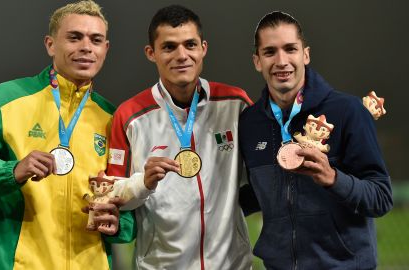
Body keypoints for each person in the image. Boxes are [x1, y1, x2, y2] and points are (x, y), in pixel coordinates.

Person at [0, 1, 134, 269]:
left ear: (105, 49)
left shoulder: (115, 119)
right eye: (74, 37)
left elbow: (129, 206)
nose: (86, 47)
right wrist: (12, 171)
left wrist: (118, 224)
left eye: (96, 39)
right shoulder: (6, 100)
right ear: (50, 44)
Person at [238, 11, 393, 269]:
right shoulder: (250, 123)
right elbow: (263, 192)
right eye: (270, 52)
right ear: (257, 61)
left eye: (290, 49)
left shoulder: (348, 111)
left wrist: (333, 178)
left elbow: (381, 197)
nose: (281, 60)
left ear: (305, 55)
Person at [107, 5, 253, 269]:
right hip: (160, 264)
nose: (182, 55)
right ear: (151, 53)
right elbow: (112, 191)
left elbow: (261, 170)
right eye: (169, 47)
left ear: (203, 48)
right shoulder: (129, 116)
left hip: (232, 264)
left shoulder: (235, 103)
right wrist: (143, 183)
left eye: (190, 44)